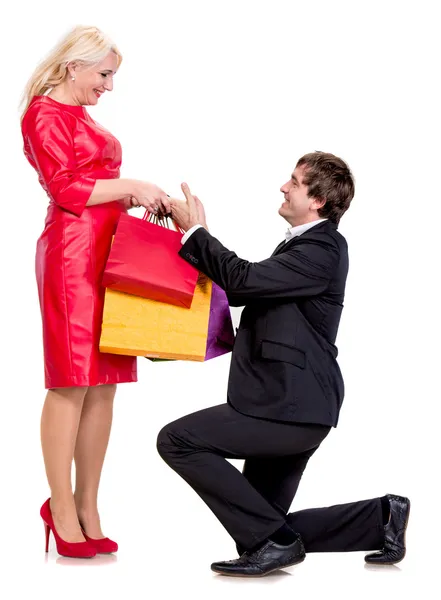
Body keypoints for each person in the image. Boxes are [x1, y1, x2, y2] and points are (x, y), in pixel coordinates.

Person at [157, 152, 410, 576]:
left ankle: (277, 541)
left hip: (289, 406)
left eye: (294, 181)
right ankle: (379, 519)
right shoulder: (301, 246)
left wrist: (196, 232)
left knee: (178, 440)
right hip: (291, 403)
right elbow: (243, 290)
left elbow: (243, 279)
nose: (283, 186)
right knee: (260, 528)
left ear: (318, 200)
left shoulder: (323, 247)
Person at [20, 25, 170, 558]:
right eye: (104, 74)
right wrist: (133, 186)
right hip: (70, 254)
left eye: (112, 75)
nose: (109, 85)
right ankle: (61, 509)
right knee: (71, 381)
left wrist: (140, 202)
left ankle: (88, 506)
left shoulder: (81, 117)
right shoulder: (43, 114)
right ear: (73, 66)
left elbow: (97, 189)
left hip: (108, 250)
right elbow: (65, 189)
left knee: (104, 383)